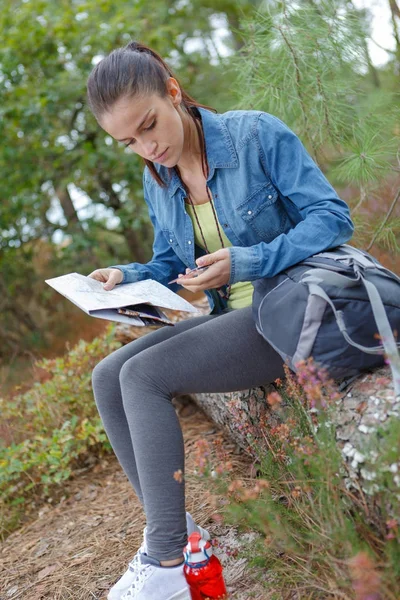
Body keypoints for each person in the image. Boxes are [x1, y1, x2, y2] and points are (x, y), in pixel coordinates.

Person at [86, 41, 354, 600]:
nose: (147, 146)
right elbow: (169, 262)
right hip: (227, 316)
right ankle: (179, 536)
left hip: (286, 311)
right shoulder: (157, 178)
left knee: (143, 378)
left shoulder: (256, 134)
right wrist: (125, 278)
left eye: (149, 125)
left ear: (173, 93)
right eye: (128, 141)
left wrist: (250, 260)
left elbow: (332, 218)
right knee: (107, 376)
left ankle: (164, 560)